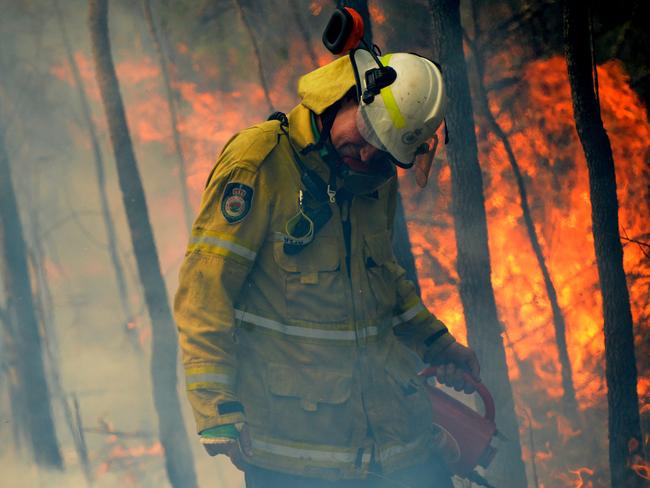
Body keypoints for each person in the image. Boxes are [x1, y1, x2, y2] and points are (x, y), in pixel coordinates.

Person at [174, 47, 481, 487]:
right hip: (297, 453)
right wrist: (216, 406)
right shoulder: (260, 160)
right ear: (351, 96)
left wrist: (436, 343)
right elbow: (205, 287)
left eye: (383, 151)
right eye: (366, 133)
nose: (366, 155)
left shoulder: (373, 178)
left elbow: (383, 275)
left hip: (394, 441)